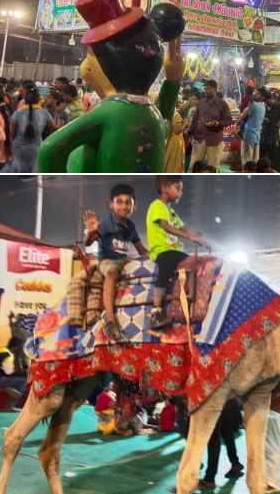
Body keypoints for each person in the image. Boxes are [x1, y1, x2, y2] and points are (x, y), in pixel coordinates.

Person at [83, 183, 148, 335]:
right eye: (119, 202)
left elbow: (141, 250)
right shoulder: (106, 223)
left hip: (124, 261)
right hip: (108, 261)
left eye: (128, 202)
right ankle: (111, 320)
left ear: (134, 206)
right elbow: (88, 242)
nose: (124, 206)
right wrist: (91, 231)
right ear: (111, 204)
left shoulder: (130, 226)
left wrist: (156, 257)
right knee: (112, 273)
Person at [146, 176, 206, 328]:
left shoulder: (171, 211)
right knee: (165, 271)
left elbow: (182, 228)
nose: (181, 193)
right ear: (165, 188)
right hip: (163, 251)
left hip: (175, 251)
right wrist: (188, 236)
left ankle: (191, 300)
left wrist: (196, 237)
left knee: (194, 263)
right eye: (178, 188)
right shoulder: (157, 206)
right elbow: (165, 226)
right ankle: (157, 311)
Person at [3, 84, 54, 173]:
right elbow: (53, 129)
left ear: (25, 99)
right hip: (37, 148)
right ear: (38, 99)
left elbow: (12, 134)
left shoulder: (17, 113)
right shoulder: (44, 113)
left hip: (19, 149)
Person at [200, 397, 245, 488]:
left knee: (213, 438)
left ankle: (209, 478)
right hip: (230, 401)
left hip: (216, 401)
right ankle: (235, 464)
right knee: (227, 433)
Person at [188, 80, 230, 170]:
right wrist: (190, 133)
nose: (206, 90)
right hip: (200, 139)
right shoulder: (202, 103)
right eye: (205, 88)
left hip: (214, 140)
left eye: (208, 89)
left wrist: (218, 123)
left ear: (214, 89)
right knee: (195, 166)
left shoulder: (222, 104)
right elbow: (195, 119)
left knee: (212, 167)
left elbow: (228, 120)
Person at [163, 106, 188, 173]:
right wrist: (185, 123)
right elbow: (177, 130)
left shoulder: (168, 113)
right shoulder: (176, 115)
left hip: (170, 139)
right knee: (173, 163)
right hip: (175, 142)